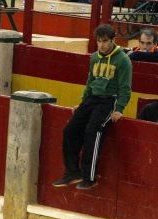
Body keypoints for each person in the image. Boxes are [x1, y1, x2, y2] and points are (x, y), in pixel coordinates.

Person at [52, 24, 132, 190]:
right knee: (70, 130)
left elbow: (125, 87)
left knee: (92, 131)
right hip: (92, 99)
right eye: (99, 41)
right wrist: (82, 103)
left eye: (105, 41)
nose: (101, 45)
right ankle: (73, 172)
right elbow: (90, 82)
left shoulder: (123, 60)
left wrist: (119, 109)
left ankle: (90, 177)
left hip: (109, 101)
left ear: (113, 40)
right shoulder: (95, 57)